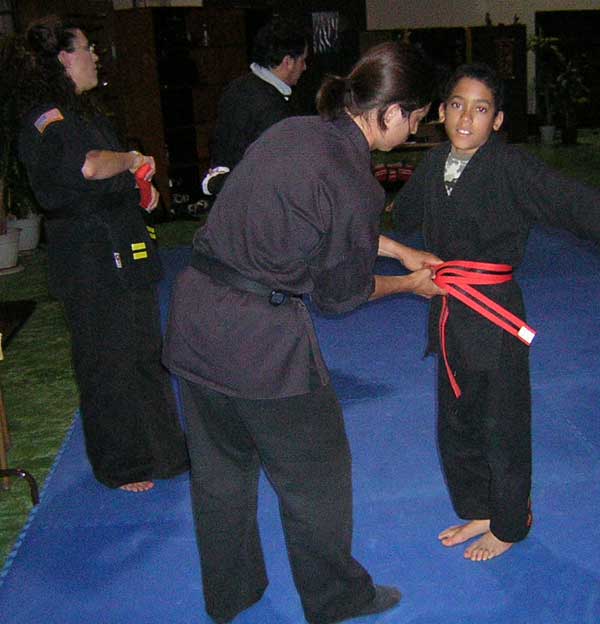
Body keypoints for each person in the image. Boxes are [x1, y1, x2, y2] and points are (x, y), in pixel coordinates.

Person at [163, 41, 443, 624]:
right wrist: (410, 285)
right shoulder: (355, 180)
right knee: (318, 476)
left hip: (194, 319)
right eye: (416, 118)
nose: (414, 130)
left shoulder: (293, 132)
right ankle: (336, 599)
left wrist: (398, 249)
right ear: (392, 111)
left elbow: (319, 220)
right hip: (258, 345)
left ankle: (231, 595)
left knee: (221, 474)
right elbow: (340, 294)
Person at [391, 63, 600, 561]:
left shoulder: (510, 167)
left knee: (502, 424)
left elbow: (573, 203)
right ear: (442, 112)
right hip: (448, 311)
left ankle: (508, 524)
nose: (466, 118)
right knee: (456, 421)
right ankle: (480, 508)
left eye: (480, 109)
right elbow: (404, 216)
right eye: (457, 105)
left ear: (498, 120)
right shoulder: (434, 162)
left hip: (494, 314)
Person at [12, 16, 189, 492]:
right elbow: (89, 167)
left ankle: (165, 452)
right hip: (88, 255)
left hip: (123, 244)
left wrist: (141, 189)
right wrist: (131, 160)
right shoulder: (46, 118)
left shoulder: (86, 116)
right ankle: (123, 465)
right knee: (106, 360)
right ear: (62, 58)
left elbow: (113, 178)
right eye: (87, 48)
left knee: (145, 353)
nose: (95, 57)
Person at [201, 17, 308, 197]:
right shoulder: (275, 109)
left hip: (227, 191)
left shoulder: (236, 87)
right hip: (256, 197)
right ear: (288, 62)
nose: (305, 67)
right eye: (303, 60)